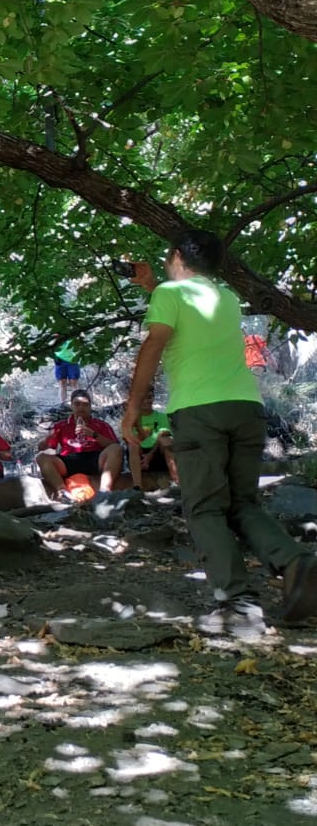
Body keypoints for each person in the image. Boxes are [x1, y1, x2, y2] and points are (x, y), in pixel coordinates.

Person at [121, 231, 317, 633]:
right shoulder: (224, 297)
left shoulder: (170, 297)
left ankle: (238, 603)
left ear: (176, 255)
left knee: (205, 507)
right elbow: (186, 312)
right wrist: (151, 285)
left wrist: (134, 407)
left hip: (199, 412)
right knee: (243, 503)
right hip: (246, 407)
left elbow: (154, 344)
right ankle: (296, 563)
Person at [36, 389, 121, 500]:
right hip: (69, 460)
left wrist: (93, 434)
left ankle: (104, 491)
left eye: (85, 404)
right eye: (77, 404)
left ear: (90, 406)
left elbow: (115, 446)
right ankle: (63, 492)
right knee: (42, 458)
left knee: (116, 449)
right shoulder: (61, 425)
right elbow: (41, 447)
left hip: (95, 458)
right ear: (71, 406)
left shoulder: (101, 425)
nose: (81, 408)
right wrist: (49, 436)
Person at [127, 387, 177, 488]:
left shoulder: (162, 417)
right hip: (140, 458)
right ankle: (137, 487)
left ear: (153, 398)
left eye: (149, 397)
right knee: (133, 445)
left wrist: (150, 455)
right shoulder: (131, 420)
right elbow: (130, 439)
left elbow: (164, 436)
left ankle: (177, 481)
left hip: (158, 453)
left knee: (167, 440)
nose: (146, 401)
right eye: (143, 398)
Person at [52, 337, 81, 405]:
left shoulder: (73, 332)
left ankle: (77, 403)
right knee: (62, 383)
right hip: (60, 360)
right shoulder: (55, 333)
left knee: (73, 382)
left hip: (72, 360)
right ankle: (62, 403)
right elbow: (51, 345)